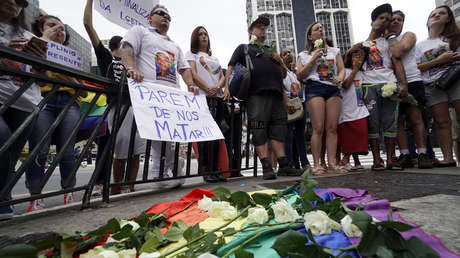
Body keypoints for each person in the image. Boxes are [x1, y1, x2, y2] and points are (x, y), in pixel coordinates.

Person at [121, 5, 198, 187]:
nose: (166, 18)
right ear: (150, 18)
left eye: (168, 16)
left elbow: (184, 68)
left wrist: (191, 84)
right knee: (155, 132)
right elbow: (127, 48)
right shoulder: (140, 31)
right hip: (148, 92)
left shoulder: (174, 45)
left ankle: (160, 172)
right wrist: (131, 68)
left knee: (165, 133)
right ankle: (169, 166)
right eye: (161, 14)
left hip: (170, 95)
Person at [226, 15, 303, 180]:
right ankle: (266, 167)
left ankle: (283, 166)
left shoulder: (271, 50)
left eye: (264, 27)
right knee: (259, 129)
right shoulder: (244, 48)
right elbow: (230, 67)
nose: (263, 29)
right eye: (259, 27)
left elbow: (282, 76)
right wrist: (226, 87)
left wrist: (280, 61)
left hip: (276, 95)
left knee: (278, 130)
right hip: (256, 95)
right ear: (250, 31)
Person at [83, 0, 146, 195]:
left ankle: (130, 185)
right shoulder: (106, 57)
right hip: (115, 108)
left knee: (135, 151)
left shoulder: (135, 62)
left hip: (135, 108)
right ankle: (112, 185)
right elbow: (88, 25)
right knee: (116, 150)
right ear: (121, 45)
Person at [25, 14, 83, 212]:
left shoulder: (72, 56)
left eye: (62, 28)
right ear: (41, 29)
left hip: (69, 103)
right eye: (52, 25)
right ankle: (36, 195)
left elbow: (81, 88)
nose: (59, 29)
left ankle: (68, 191)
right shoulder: (34, 47)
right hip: (43, 99)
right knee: (39, 149)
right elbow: (37, 79)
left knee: (67, 150)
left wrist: (64, 73)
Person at [0, 0, 46, 219]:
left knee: (12, 154)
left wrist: (40, 63)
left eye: (20, 1)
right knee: (3, 138)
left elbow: (43, 77)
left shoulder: (28, 36)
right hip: (2, 96)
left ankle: (3, 199)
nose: (13, 3)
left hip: (26, 101)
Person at [351, 3, 408, 171]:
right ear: (372, 21)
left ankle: (391, 158)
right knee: (373, 124)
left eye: (388, 19)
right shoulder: (361, 45)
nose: (385, 21)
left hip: (389, 83)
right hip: (368, 86)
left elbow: (397, 60)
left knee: (390, 122)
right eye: (381, 18)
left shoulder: (390, 42)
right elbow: (353, 67)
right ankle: (377, 159)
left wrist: (403, 83)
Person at [297, 22, 346, 175]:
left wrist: (339, 77)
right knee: (318, 128)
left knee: (332, 128)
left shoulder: (334, 51)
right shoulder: (303, 55)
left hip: (332, 88)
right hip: (314, 87)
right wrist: (313, 58)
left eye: (321, 28)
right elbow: (300, 75)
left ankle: (332, 162)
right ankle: (317, 163)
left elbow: (342, 68)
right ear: (310, 37)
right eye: (316, 29)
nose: (320, 30)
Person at [387, 10, 433, 169]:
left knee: (416, 118)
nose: (395, 22)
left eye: (399, 20)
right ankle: (405, 154)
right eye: (392, 19)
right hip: (391, 83)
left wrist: (391, 38)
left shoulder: (408, 35)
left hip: (412, 80)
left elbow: (398, 51)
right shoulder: (382, 40)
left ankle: (422, 153)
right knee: (397, 121)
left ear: (403, 23)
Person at [416, 5, 460, 167]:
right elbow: (416, 67)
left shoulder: (454, 38)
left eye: (441, 14)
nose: (436, 16)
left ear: (448, 19)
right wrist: (439, 61)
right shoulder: (420, 45)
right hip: (433, 85)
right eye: (433, 14)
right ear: (427, 22)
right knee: (442, 122)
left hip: (456, 80)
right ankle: (448, 158)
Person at [185, 26, 229, 183]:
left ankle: (216, 169)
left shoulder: (214, 58)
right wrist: (207, 87)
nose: (204, 37)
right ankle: (206, 170)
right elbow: (193, 74)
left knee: (216, 135)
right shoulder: (191, 54)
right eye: (200, 34)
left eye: (206, 34)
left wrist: (217, 87)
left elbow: (222, 75)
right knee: (204, 135)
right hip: (202, 98)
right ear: (195, 37)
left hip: (216, 98)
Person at [338, 47, 370, 170]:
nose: (359, 58)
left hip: (360, 107)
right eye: (356, 55)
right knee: (349, 138)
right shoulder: (344, 71)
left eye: (361, 56)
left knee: (359, 135)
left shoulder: (363, 73)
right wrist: (354, 70)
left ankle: (354, 160)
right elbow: (346, 85)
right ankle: (347, 159)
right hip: (346, 109)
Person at [281, 49, 310, 171]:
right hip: (289, 103)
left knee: (300, 135)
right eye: (285, 54)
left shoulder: (296, 73)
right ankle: (290, 163)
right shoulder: (281, 72)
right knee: (288, 135)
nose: (288, 55)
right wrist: (287, 101)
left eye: (289, 52)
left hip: (300, 103)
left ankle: (304, 163)